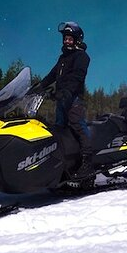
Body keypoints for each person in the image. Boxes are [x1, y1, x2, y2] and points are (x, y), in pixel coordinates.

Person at [32, 21, 93, 180]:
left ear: (77, 40)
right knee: (59, 129)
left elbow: (77, 77)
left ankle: (88, 160)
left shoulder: (81, 56)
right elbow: (52, 75)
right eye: (65, 38)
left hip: (74, 99)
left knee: (77, 124)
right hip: (62, 99)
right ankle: (63, 162)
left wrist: (66, 92)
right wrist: (39, 86)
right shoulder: (62, 58)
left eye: (70, 39)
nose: (66, 41)